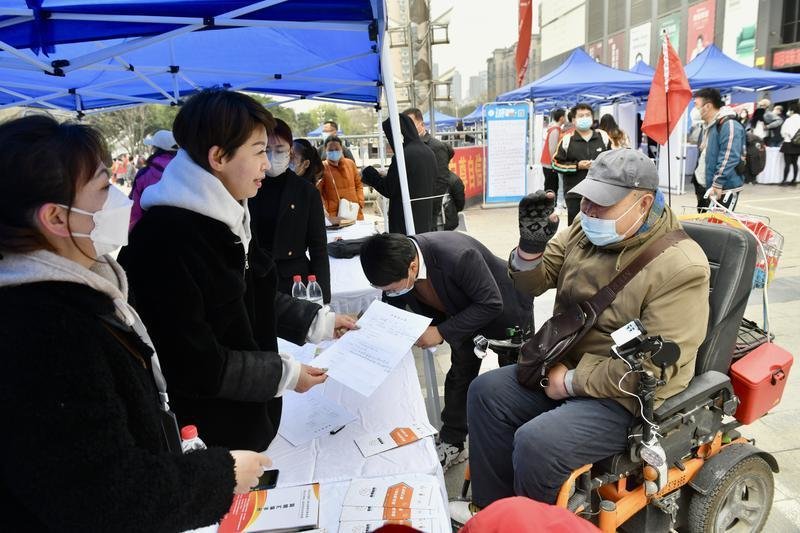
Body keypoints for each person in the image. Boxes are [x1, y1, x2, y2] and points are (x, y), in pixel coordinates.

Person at [0, 115, 271, 531]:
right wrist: (220, 475)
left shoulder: (82, 291)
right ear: (55, 218)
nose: (119, 198)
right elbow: (102, 491)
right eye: (103, 187)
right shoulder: (42, 330)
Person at [450, 149, 710, 525]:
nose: (587, 209)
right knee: (486, 392)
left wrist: (571, 382)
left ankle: (532, 526)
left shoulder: (681, 266)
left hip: (624, 393)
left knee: (538, 443)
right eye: (586, 198)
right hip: (566, 359)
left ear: (643, 203)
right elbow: (533, 283)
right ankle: (492, 513)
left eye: (601, 203)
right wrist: (529, 249)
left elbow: (654, 369)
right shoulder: (584, 230)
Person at [120, 89, 357, 451]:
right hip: (209, 437)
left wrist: (317, 322)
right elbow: (195, 363)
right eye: (260, 151)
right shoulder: (164, 240)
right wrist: (285, 374)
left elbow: (253, 294)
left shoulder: (231, 215)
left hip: (248, 420)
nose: (267, 164)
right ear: (218, 157)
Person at [360, 232, 533, 472]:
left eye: (391, 288)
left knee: (516, 380)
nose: (389, 293)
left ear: (412, 267)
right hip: (461, 315)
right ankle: (453, 442)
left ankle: (523, 445)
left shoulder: (458, 256)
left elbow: (491, 303)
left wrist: (440, 332)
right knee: (460, 375)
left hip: (505, 311)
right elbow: (393, 302)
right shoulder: (398, 262)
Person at [250, 119, 331, 302]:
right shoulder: (247, 188)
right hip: (256, 278)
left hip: (295, 282)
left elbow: (318, 248)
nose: (272, 156)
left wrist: (324, 297)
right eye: (266, 150)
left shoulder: (306, 191)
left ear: (290, 151)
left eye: (280, 150)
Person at [362, 114, 436, 234]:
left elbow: (389, 189)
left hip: (403, 219)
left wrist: (369, 173)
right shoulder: (429, 151)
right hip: (424, 216)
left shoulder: (403, 155)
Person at [551, 103, 611, 225]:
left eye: (587, 115)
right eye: (581, 116)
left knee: (600, 226)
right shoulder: (567, 140)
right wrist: (577, 166)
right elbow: (556, 164)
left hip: (599, 193)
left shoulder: (603, 138)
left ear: (592, 118)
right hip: (575, 194)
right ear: (573, 120)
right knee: (576, 227)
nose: (585, 118)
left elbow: (613, 160)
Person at [691, 88, 746, 212]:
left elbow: (729, 156)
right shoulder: (708, 125)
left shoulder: (729, 124)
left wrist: (718, 183)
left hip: (721, 189)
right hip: (705, 185)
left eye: (696, 105)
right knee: (703, 220)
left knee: (716, 222)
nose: (694, 110)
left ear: (707, 106)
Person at [403, 107, 455, 229]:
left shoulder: (436, 146)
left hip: (426, 209)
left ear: (421, 124)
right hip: (410, 205)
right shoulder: (406, 146)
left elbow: (441, 181)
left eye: (411, 124)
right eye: (404, 125)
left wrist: (429, 205)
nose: (407, 128)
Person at [129, 129, 178, 230]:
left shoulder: (144, 174)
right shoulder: (185, 171)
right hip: (182, 229)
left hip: (149, 230)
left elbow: (135, 208)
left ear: (155, 149)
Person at [318, 135, 365, 222]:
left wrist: (360, 202)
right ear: (325, 149)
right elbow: (318, 192)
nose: (334, 152)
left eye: (337, 149)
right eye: (330, 150)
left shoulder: (350, 164)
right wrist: (326, 209)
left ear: (342, 148)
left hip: (354, 211)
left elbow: (359, 184)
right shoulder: (322, 167)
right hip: (334, 216)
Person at [540, 109, 566, 199]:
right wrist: (554, 164)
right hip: (550, 164)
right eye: (565, 117)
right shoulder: (555, 130)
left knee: (550, 186)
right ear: (561, 118)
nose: (566, 119)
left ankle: (549, 204)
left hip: (548, 163)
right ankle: (549, 205)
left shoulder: (554, 128)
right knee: (551, 187)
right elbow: (553, 148)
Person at [779, 103, 800, 186]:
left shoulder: (788, 120)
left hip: (788, 143)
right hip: (798, 144)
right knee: (795, 163)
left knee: (787, 163)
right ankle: (794, 181)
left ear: (792, 111)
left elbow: (783, 132)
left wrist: (787, 136)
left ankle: (784, 181)